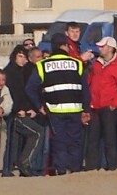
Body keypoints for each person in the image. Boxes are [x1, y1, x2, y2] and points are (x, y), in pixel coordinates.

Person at [26, 32, 91, 174]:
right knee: (75, 142)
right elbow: (85, 89)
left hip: (55, 111)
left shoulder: (42, 65)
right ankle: (74, 171)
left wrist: (39, 107)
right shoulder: (77, 64)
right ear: (65, 46)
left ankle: (61, 171)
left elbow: (30, 89)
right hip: (75, 110)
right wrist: (86, 110)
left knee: (59, 142)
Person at [84, 37, 117, 171]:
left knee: (110, 140)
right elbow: (89, 81)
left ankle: (112, 168)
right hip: (94, 107)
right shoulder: (96, 64)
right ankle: (91, 168)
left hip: (108, 108)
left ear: (110, 48)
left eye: (102, 46)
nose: (99, 49)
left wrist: (113, 105)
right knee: (93, 140)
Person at [4, 46, 44, 175]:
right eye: (20, 56)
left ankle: (11, 169)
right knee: (36, 134)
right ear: (14, 56)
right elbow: (14, 94)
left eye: (24, 57)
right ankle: (19, 165)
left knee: (15, 142)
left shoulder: (24, 71)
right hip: (16, 112)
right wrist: (23, 109)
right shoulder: (10, 72)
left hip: (23, 111)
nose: (23, 60)